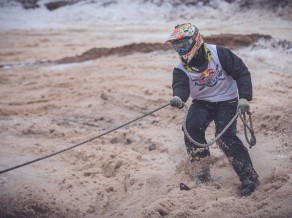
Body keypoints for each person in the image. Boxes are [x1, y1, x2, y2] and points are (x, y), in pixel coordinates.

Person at [166, 23, 259, 197]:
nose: (180, 48)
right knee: (190, 128)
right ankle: (202, 175)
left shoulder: (219, 53)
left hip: (228, 101)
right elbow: (180, 87)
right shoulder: (180, 69)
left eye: (184, 44)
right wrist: (178, 98)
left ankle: (249, 176)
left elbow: (242, 72)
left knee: (225, 137)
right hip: (202, 103)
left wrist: (245, 97)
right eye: (177, 45)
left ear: (195, 41)